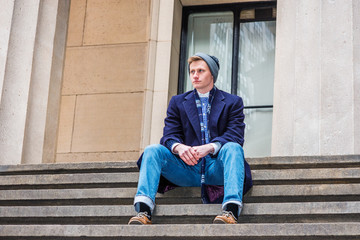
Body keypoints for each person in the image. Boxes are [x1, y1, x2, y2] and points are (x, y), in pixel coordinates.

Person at [128, 52, 252, 225]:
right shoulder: (178, 102)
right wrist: (179, 147)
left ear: (212, 74)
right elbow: (169, 135)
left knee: (233, 148)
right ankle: (143, 211)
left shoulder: (233, 102)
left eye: (201, 70)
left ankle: (230, 211)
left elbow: (235, 135)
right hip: (185, 168)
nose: (195, 75)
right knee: (152, 150)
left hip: (217, 168)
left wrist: (209, 147)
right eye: (192, 71)